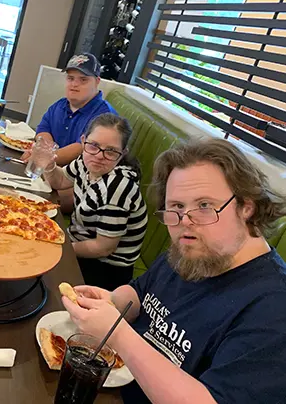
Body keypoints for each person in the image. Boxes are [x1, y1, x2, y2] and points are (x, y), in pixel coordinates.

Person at [62, 138, 286, 404]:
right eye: (177, 207)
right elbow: (140, 291)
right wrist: (112, 301)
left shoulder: (274, 307)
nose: (185, 222)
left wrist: (118, 333)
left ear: (246, 207)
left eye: (204, 205)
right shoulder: (193, 249)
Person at [44, 114, 147, 290]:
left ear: (123, 154)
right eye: (94, 145)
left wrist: (58, 248)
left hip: (106, 269)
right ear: (84, 141)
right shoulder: (86, 162)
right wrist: (48, 164)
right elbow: (60, 181)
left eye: (111, 151)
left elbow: (103, 248)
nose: (99, 156)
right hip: (78, 244)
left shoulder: (117, 187)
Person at [24, 53, 117, 166]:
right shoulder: (59, 105)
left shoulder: (105, 117)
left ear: (97, 81)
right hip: (50, 170)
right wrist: (44, 153)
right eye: (70, 78)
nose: (74, 84)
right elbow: (43, 130)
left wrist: (43, 159)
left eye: (83, 80)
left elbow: (82, 148)